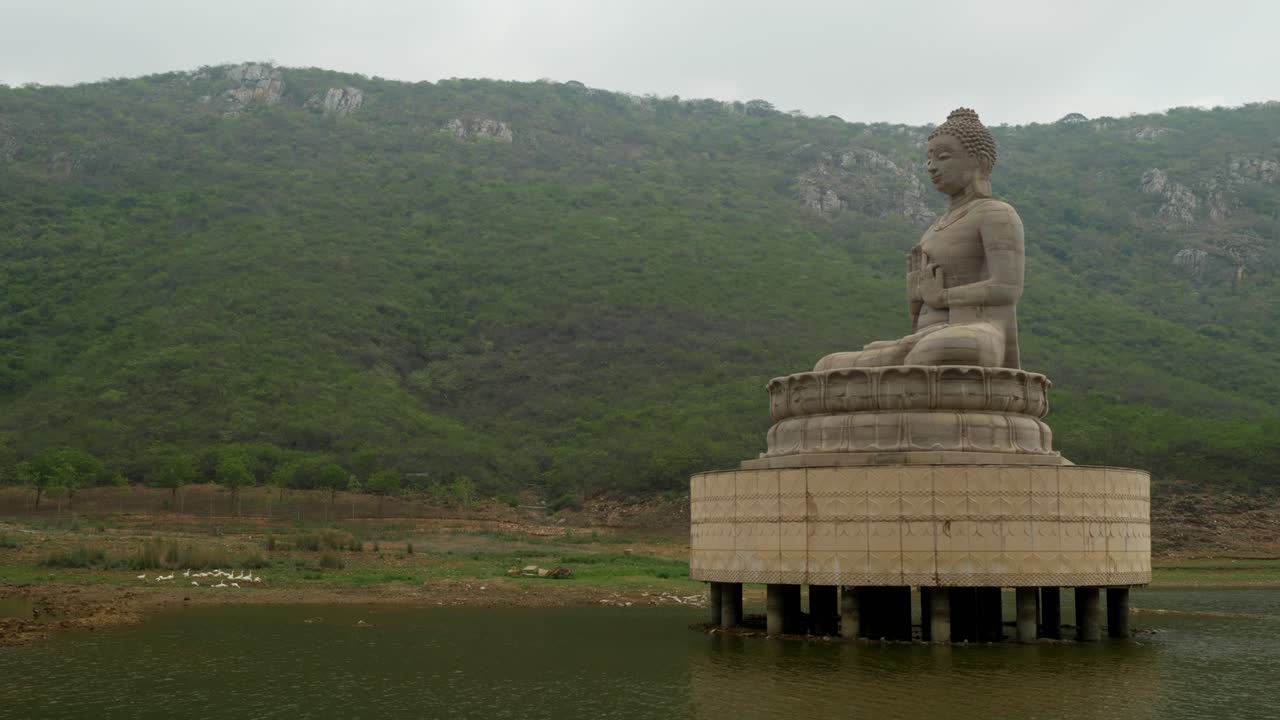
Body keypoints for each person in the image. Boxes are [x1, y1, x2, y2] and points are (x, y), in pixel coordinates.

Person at [814, 108, 1023, 371]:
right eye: (928, 159)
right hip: (923, 336)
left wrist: (942, 296)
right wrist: (916, 297)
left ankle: (900, 366)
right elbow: (924, 305)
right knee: (827, 365)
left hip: (976, 332)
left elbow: (1007, 288)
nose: (931, 167)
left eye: (943, 157)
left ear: (979, 161)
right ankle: (902, 363)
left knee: (943, 348)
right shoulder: (934, 227)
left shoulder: (996, 213)